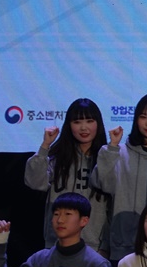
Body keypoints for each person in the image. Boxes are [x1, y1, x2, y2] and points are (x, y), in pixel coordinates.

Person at [91, 93, 147, 267]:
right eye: (143, 117)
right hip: (125, 244)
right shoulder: (119, 152)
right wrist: (112, 148)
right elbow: (102, 183)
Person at [24, 97, 110, 251]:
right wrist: (45, 146)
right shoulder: (58, 157)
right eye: (77, 122)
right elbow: (35, 182)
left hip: (94, 246)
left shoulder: (107, 159)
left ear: (98, 124)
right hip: (57, 244)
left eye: (89, 121)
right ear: (69, 125)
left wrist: (105, 247)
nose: (83, 127)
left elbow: (113, 206)